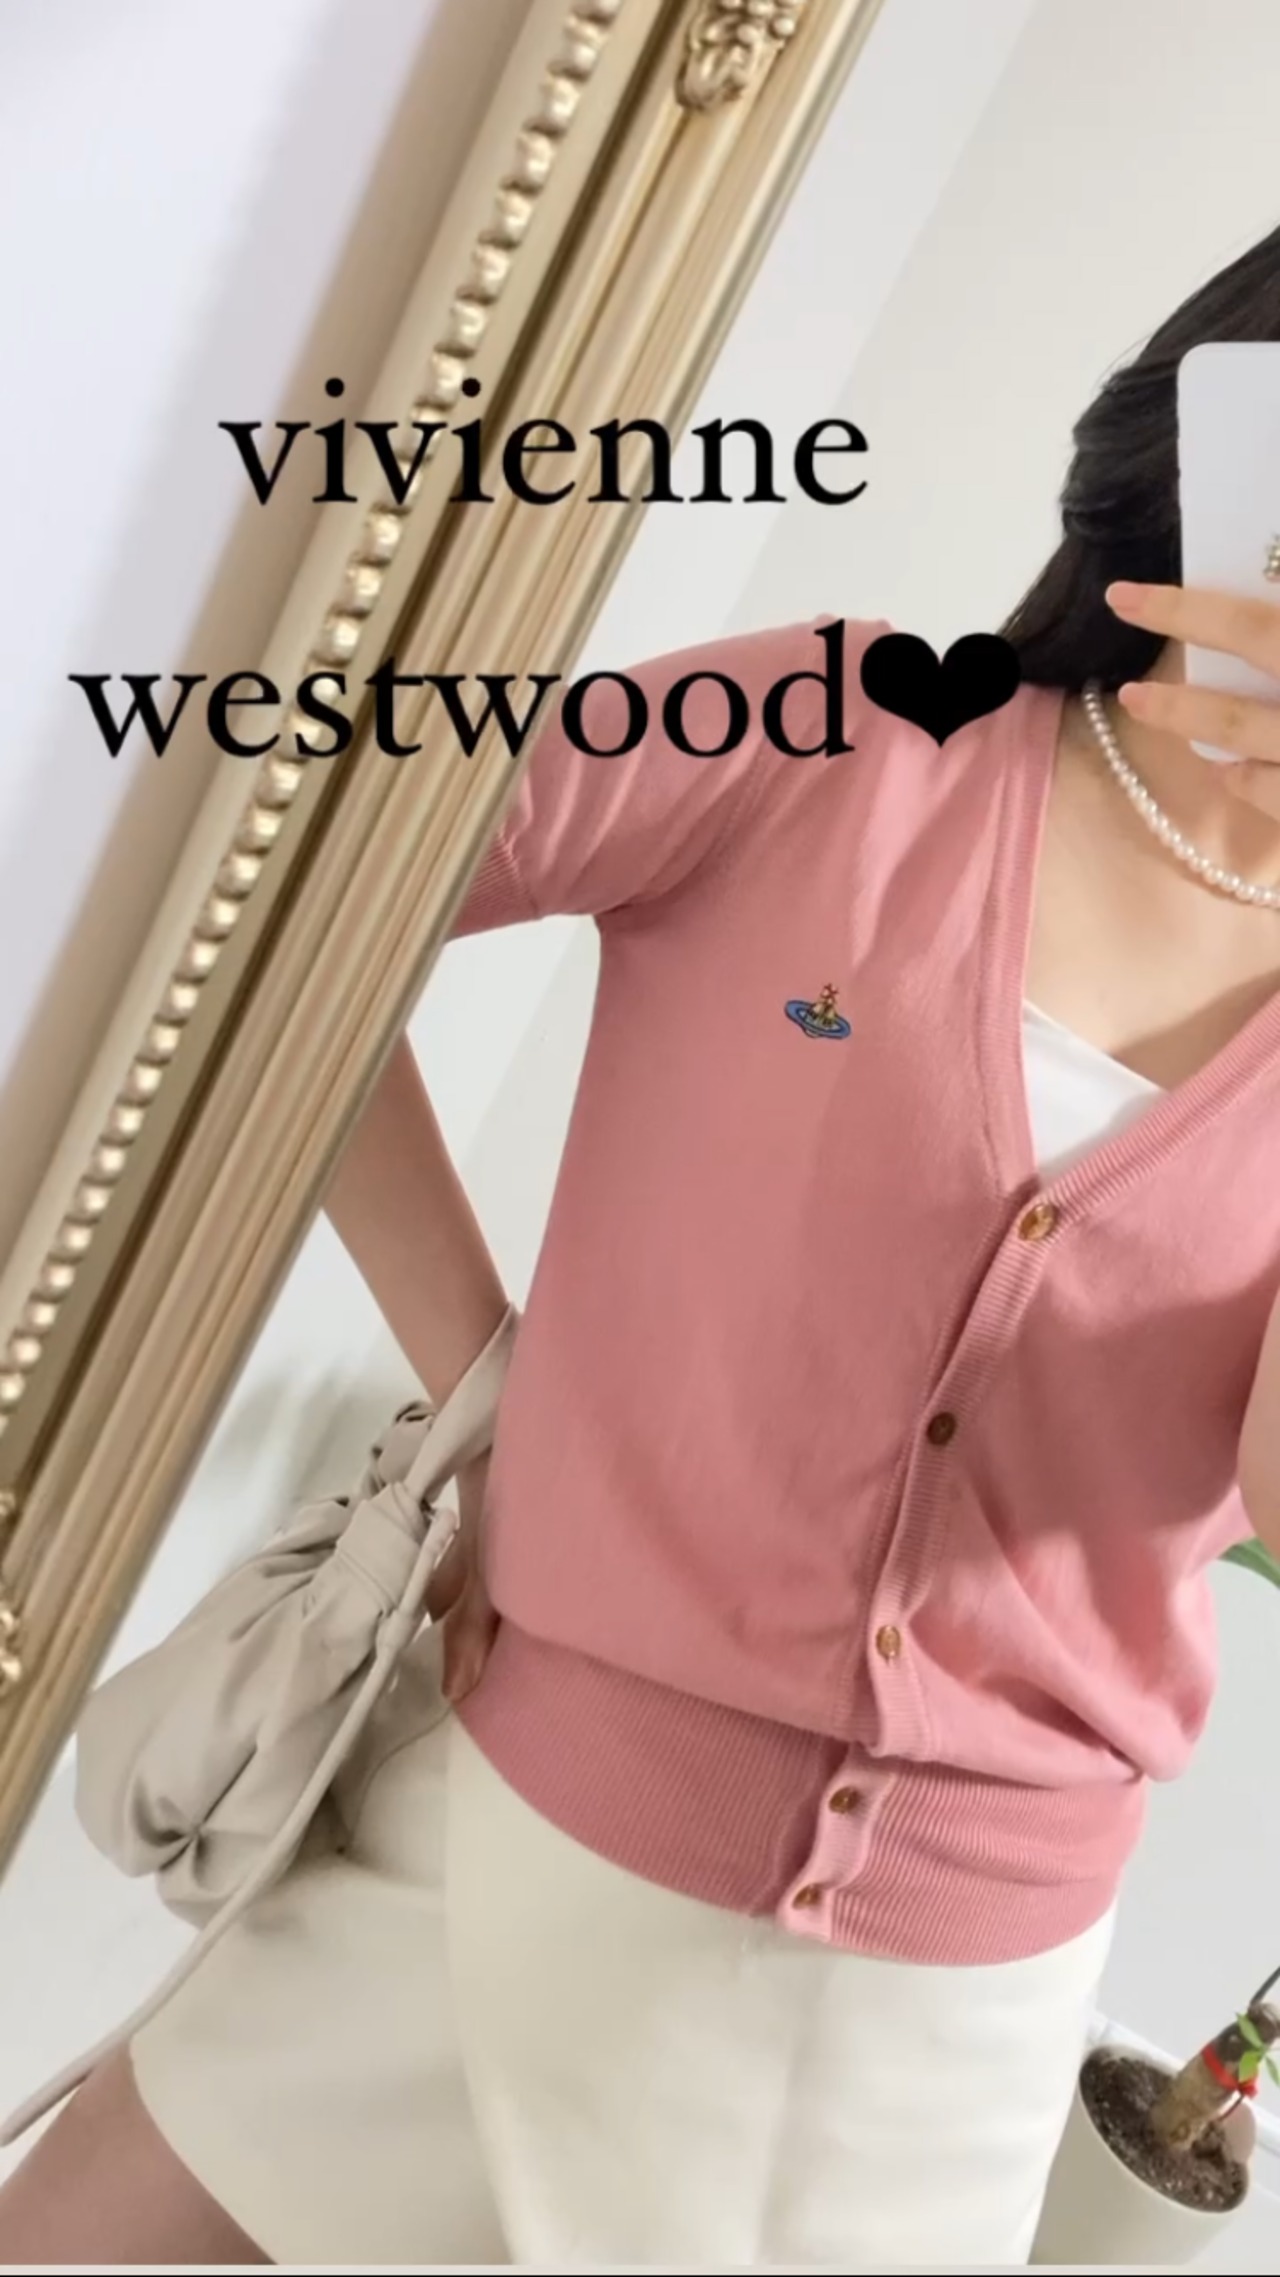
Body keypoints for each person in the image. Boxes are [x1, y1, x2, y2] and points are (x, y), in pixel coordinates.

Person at [6, 223, 1280, 2270]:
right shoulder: (838, 732)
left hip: (910, 2028)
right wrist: (486, 1372)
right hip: (491, 1822)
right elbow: (286, 894)